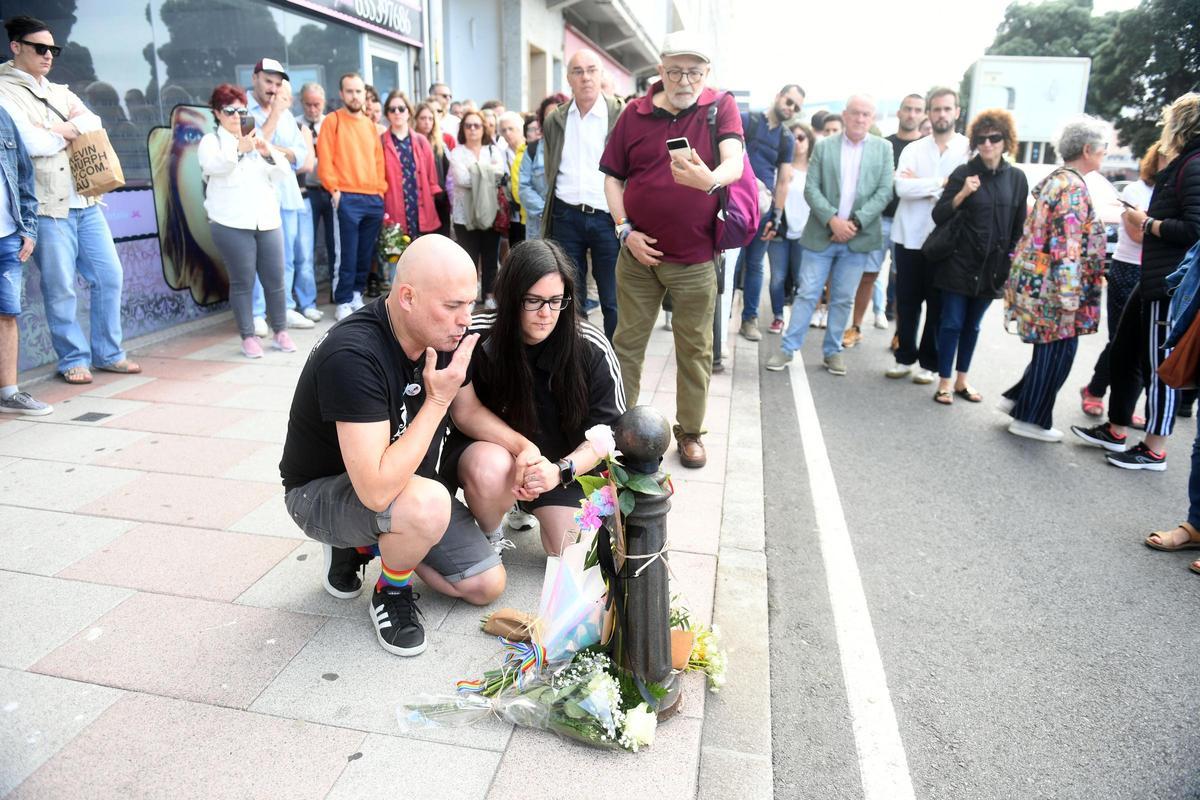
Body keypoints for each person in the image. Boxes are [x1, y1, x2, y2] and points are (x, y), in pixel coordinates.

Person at [280, 234, 546, 657]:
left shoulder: (442, 334)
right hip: (323, 493)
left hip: (408, 488)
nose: (466, 319)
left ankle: (376, 545)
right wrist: (436, 399)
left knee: (485, 585)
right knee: (426, 505)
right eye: (453, 305)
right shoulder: (353, 354)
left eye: (471, 303)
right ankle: (391, 590)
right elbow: (376, 490)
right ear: (407, 297)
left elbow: (467, 411)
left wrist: (523, 446)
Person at [600, 31, 745, 468]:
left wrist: (712, 179)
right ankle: (619, 430)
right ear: (660, 70)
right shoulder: (633, 113)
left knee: (695, 349)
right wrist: (624, 230)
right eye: (677, 70)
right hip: (638, 254)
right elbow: (611, 177)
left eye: (695, 72)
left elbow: (734, 161)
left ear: (707, 74)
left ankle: (691, 433)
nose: (686, 80)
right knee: (626, 345)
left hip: (697, 258)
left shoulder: (720, 107)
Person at [443, 239, 625, 555]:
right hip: (494, 452)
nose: (546, 313)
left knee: (570, 553)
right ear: (511, 297)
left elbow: (608, 432)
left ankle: (531, 505)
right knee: (489, 469)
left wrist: (560, 470)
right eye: (534, 301)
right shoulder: (477, 335)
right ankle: (490, 533)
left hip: (563, 466)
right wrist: (523, 447)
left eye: (556, 300)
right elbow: (465, 411)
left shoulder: (591, 346)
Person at [0, 15, 139, 384]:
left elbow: (94, 123)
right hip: (47, 206)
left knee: (110, 276)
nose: (49, 55)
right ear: (16, 47)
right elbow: (31, 144)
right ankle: (72, 358)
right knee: (60, 287)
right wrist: (60, 131)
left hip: (87, 202)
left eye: (53, 49)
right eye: (40, 48)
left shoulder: (61, 91)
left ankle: (109, 353)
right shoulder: (3, 91)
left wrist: (57, 128)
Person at [1073, 93, 1200, 466]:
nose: (1164, 127)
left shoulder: (1193, 164)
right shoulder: (1185, 162)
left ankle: (1154, 449)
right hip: (1155, 277)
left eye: (1169, 120)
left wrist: (1148, 223)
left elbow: (1195, 228)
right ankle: (1116, 428)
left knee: (1161, 367)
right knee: (1125, 347)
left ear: (1181, 123)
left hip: (1170, 285)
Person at [765, 95, 894, 377]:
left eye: (866, 115)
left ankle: (832, 351)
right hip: (822, 235)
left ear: (872, 119)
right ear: (845, 115)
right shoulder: (824, 147)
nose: (860, 119)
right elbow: (812, 188)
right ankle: (788, 349)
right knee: (808, 293)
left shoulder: (884, 149)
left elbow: (884, 191)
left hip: (858, 238)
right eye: (856, 113)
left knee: (843, 298)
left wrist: (854, 224)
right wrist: (833, 221)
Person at [1000, 116, 1109, 441]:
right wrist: (1069, 297)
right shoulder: (1072, 187)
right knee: (1058, 351)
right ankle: (1031, 419)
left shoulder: (1059, 180)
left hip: (1040, 282)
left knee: (1050, 350)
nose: (1105, 153)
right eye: (1102, 147)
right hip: (1054, 288)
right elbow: (1067, 246)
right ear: (1087, 149)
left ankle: (1019, 401)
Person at [928, 108, 1028, 405]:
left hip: (992, 268)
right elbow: (939, 215)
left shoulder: (1017, 179)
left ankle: (962, 379)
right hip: (958, 263)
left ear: (1005, 140)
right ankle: (944, 381)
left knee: (972, 325)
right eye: (981, 139)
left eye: (994, 138)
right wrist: (962, 194)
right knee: (952, 323)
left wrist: (1010, 263)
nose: (987, 144)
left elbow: (1017, 227)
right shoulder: (963, 174)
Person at [197, 83, 295, 358]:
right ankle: (248, 335)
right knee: (243, 281)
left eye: (241, 110)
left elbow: (283, 172)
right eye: (229, 110)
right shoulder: (211, 142)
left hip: (266, 219)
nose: (236, 116)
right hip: (230, 223)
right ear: (217, 113)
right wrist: (239, 149)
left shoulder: (256, 137)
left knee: (275, 278)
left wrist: (264, 150)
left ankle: (281, 331)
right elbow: (213, 167)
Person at [886, 87, 970, 383]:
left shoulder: (968, 151)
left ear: (957, 112)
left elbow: (965, 193)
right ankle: (903, 356)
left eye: (947, 109)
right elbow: (901, 189)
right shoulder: (914, 149)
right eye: (936, 109)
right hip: (908, 236)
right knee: (906, 302)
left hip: (946, 241)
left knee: (938, 306)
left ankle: (928, 363)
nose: (942, 114)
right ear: (928, 114)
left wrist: (924, 185)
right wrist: (944, 184)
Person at [542, 50, 624, 340]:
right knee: (569, 297)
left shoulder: (620, 114)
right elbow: (550, 166)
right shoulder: (556, 120)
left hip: (608, 217)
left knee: (613, 298)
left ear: (601, 75)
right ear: (568, 79)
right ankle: (576, 355)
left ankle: (614, 360)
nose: (586, 77)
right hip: (566, 215)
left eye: (591, 70)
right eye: (578, 71)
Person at [1079, 144, 1163, 418]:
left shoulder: (1174, 193)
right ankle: (1095, 390)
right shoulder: (1135, 191)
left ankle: (1123, 406)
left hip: (1158, 271)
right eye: (1165, 157)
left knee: (1142, 345)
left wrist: (1150, 222)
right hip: (1128, 269)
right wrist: (1163, 227)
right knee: (1120, 339)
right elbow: (1138, 236)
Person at [245, 60, 314, 333]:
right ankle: (258, 313)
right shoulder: (243, 110)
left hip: (288, 196)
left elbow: (301, 156)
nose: (273, 89)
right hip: (259, 199)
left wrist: (272, 147)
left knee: (286, 259)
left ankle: (284, 309)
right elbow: (253, 149)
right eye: (268, 82)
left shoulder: (286, 115)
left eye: (277, 84)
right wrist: (273, 117)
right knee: (261, 259)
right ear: (255, 79)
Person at [735, 84, 802, 341]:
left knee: (755, 266)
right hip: (734, 205)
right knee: (730, 265)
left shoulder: (787, 139)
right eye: (789, 101)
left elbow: (784, 180)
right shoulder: (747, 120)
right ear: (778, 97)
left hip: (762, 210)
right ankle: (720, 321)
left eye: (796, 107)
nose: (791, 108)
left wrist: (776, 215)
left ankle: (748, 319)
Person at [317, 72, 386, 321]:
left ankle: (357, 293)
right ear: (342, 94)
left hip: (372, 198)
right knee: (346, 252)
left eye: (358, 92)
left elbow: (378, 161)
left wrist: (380, 190)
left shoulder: (369, 125)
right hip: (346, 197)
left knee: (365, 253)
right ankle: (343, 299)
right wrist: (334, 191)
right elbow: (324, 159)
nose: (354, 96)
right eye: (350, 91)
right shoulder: (332, 121)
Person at [0, 104, 47, 415]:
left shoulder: (2, 117)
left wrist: (28, 229)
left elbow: (24, 177)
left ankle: (9, 393)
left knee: (7, 314)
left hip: (7, 237)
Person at [449, 109, 505, 305]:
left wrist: (476, 171)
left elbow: (501, 173)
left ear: (484, 128)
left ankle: (490, 294)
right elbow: (462, 179)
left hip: (490, 212)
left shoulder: (493, 150)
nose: (473, 129)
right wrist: (487, 172)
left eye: (477, 125)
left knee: (491, 258)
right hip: (464, 216)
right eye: (468, 125)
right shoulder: (457, 152)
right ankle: (469, 298)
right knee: (468, 259)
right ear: (463, 129)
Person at [880, 94, 926, 325]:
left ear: (923, 114)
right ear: (899, 112)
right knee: (868, 274)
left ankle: (896, 321)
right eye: (908, 109)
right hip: (880, 218)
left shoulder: (925, 149)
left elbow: (933, 184)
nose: (912, 114)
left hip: (910, 221)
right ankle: (857, 325)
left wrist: (917, 182)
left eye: (918, 110)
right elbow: (891, 183)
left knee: (902, 277)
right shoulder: (885, 144)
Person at [766, 121, 814, 333]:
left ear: (809, 141)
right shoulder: (780, 168)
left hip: (806, 233)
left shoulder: (815, 169)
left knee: (801, 279)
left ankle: (797, 317)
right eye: (792, 138)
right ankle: (778, 316)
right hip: (780, 230)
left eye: (801, 137)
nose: (797, 142)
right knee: (777, 277)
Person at [381, 90, 442, 246]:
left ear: (409, 112)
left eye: (401, 108)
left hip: (420, 209)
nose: (397, 113)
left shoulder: (421, 141)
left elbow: (432, 179)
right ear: (387, 113)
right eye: (392, 109)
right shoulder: (381, 142)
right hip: (393, 210)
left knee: (421, 260)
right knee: (395, 258)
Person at [297, 82, 332, 319]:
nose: (312, 109)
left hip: (331, 190)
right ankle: (307, 301)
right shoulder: (295, 124)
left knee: (335, 245)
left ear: (324, 103)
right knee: (305, 249)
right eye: (308, 104)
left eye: (317, 104)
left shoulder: (331, 124)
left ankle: (336, 295)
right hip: (306, 191)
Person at [519, 95, 566, 243]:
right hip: (539, 225)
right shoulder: (532, 149)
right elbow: (524, 186)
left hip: (569, 224)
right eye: (548, 115)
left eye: (558, 113)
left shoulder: (575, 149)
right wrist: (546, 211)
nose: (553, 119)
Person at [414, 100, 453, 237]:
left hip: (439, 200)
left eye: (430, 118)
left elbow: (448, 172)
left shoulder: (439, 143)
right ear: (416, 120)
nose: (427, 122)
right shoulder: (412, 142)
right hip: (421, 201)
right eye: (423, 118)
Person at [497, 111, 526, 244]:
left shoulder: (531, 150)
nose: (507, 133)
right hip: (512, 212)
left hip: (531, 210)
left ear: (520, 129)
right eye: (504, 130)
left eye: (511, 129)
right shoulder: (500, 154)